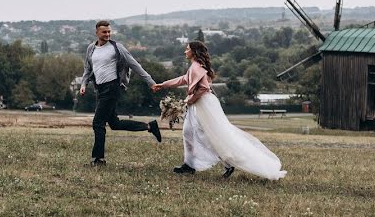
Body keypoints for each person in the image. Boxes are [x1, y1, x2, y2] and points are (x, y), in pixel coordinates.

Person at [152, 41, 287, 180]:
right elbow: (182, 80)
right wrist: (163, 85)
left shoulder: (196, 67)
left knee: (210, 135)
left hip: (203, 104)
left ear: (194, 52)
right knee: (188, 132)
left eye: (187, 49)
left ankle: (227, 163)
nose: (185, 52)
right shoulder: (194, 67)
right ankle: (189, 165)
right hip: (198, 104)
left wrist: (190, 100)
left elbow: (204, 88)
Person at [80, 20, 162, 165]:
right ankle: (150, 126)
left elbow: (134, 64)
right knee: (114, 123)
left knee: (98, 123)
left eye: (109, 32)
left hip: (112, 87)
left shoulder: (117, 47)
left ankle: (98, 159)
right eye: (104, 32)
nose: (107, 34)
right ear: (97, 32)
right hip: (100, 88)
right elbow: (87, 68)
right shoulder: (91, 48)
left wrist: (150, 82)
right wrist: (83, 84)